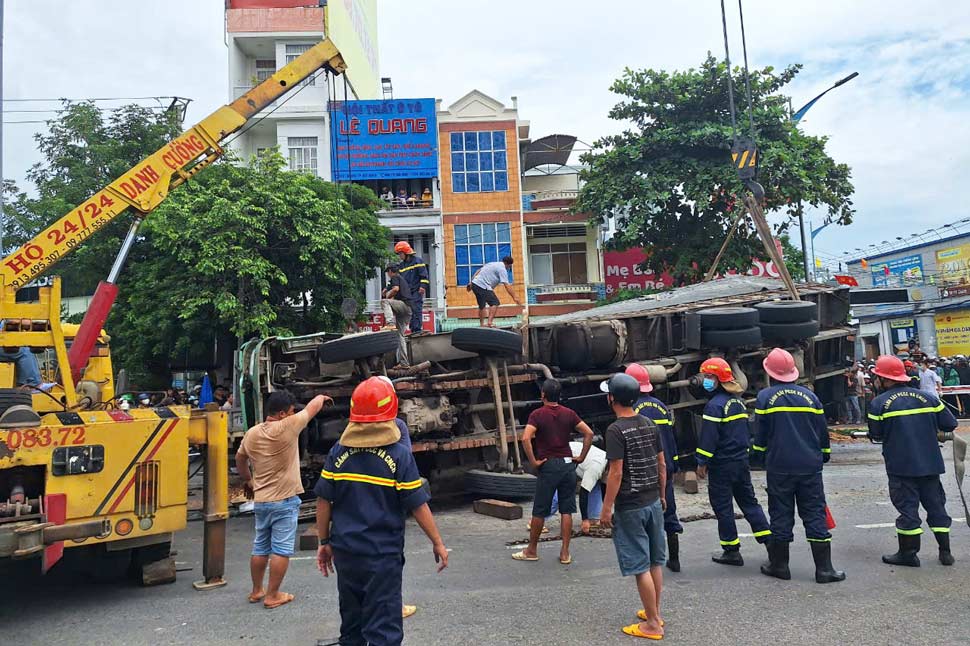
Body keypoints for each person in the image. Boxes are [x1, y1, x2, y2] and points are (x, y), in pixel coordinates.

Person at [315, 377, 448, 645]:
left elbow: (323, 500)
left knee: (352, 628)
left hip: (346, 553)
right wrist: (438, 543)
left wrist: (324, 542)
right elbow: (417, 504)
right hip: (381, 557)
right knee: (383, 632)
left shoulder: (338, 452)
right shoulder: (398, 455)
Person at [753, 348, 846, 584]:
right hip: (809, 467)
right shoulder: (811, 397)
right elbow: (822, 434)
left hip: (779, 467)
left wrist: (760, 456)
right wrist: (823, 455)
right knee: (815, 514)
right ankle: (824, 570)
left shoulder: (765, 398)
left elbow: (760, 436)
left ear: (770, 373)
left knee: (780, 515)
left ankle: (780, 566)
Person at [236, 390, 330, 609]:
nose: (292, 414)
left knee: (260, 546)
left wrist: (248, 480)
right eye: (290, 411)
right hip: (285, 501)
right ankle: (272, 595)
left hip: (261, 501)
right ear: (280, 414)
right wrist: (323, 397)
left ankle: (256, 590)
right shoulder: (287, 426)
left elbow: (240, 459)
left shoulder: (252, 433)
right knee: (281, 549)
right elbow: (312, 409)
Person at [867, 355, 958, 567]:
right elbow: (949, 424)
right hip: (930, 464)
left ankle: (908, 554)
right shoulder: (928, 398)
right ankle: (945, 553)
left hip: (901, 467)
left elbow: (876, 434)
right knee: (936, 507)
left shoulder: (879, 404)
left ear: (884, 379)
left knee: (908, 510)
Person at [599, 373, 666, 641]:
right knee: (655, 561)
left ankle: (652, 624)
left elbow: (616, 473)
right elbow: (661, 464)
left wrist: (606, 508)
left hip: (631, 505)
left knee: (640, 565)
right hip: (653, 501)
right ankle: (655, 612)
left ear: (612, 398)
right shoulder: (649, 423)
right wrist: (662, 495)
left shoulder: (615, 430)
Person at [694, 357, 771, 565]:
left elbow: (709, 438)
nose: (705, 381)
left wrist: (701, 462)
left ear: (718, 379)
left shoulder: (714, 406)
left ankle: (731, 550)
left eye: (709, 377)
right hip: (741, 462)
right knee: (749, 502)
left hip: (722, 465)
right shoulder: (738, 402)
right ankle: (770, 543)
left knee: (723, 507)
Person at [514, 378, 594, 565]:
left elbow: (526, 438)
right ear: (559, 395)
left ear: (543, 395)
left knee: (540, 509)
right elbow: (588, 433)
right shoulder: (569, 413)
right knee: (567, 510)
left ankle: (531, 550)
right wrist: (581, 457)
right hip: (568, 465)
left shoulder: (537, 414)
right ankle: (565, 553)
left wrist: (534, 461)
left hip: (548, 466)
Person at [626, 363, 684, 573]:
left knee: (646, 514)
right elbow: (671, 438)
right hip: (666, 466)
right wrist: (675, 463)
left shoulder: (634, 411)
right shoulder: (660, 405)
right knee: (668, 510)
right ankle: (674, 559)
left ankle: (651, 562)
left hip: (647, 470)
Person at [467, 256, 522, 327]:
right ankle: (490, 322)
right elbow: (506, 285)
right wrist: (515, 297)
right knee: (495, 303)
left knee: (482, 305)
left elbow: (479, 270)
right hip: (483, 285)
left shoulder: (492, 263)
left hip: (475, 284)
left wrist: (471, 282)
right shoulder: (502, 269)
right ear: (508, 264)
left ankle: (482, 324)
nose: (509, 268)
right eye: (509, 266)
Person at [395, 241, 430, 336]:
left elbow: (424, 276)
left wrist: (422, 287)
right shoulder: (401, 266)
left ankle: (417, 329)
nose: (399, 256)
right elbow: (398, 279)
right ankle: (412, 329)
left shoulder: (418, 261)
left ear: (406, 252)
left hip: (416, 291)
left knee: (416, 309)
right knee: (409, 311)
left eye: (400, 253)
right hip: (407, 293)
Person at [381, 265, 413, 370]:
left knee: (385, 302)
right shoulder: (400, 279)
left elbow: (395, 289)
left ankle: (390, 324)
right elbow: (393, 290)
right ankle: (404, 363)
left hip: (404, 306)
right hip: (408, 310)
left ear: (391, 271)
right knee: (400, 336)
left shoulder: (395, 277)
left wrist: (387, 295)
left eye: (388, 273)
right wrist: (387, 290)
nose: (388, 275)